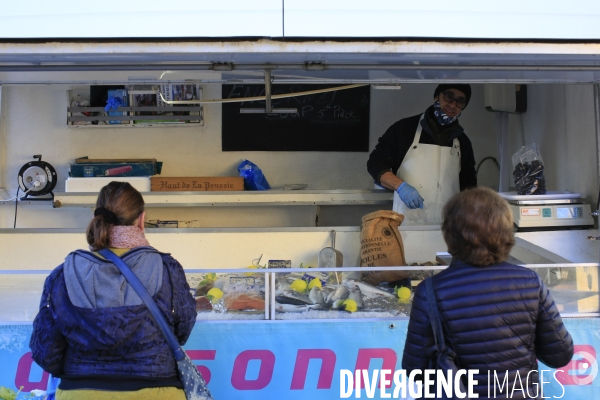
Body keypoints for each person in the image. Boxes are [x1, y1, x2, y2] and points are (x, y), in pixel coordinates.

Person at [29, 182, 197, 400]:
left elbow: (46, 350)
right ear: (141, 220)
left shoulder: (63, 274)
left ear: (96, 217)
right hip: (157, 392)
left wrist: (84, 369)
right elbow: (183, 330)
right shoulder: (167, 269)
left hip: (81, 393)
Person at [402, 187, 574, 398]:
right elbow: (560, 355)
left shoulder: (429, 292)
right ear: (506, 232)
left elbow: (415, 371)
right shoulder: (531, 282)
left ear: (449, 235)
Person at [367, 84, 477, 223]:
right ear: (437, 96)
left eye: (460, 101)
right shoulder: (404, 129)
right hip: (406, 224)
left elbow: (469, 186)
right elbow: (375, 163)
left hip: (449, 228)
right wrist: (400, 186)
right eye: (449, 97)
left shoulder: (462, 141)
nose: (452, 104)